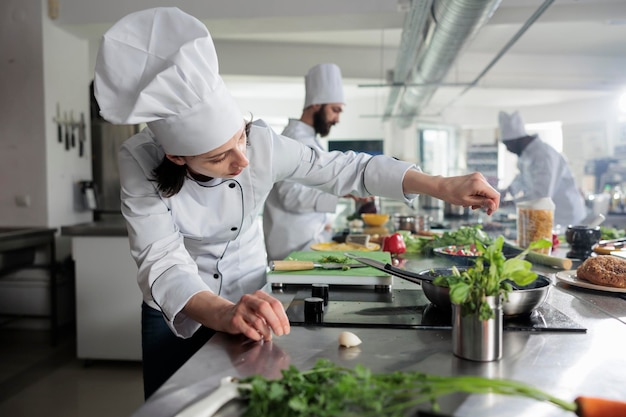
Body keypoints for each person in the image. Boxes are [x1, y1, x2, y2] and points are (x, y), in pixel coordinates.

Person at [94, 7, 500, 399]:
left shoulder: (263, 144)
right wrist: (221, 312)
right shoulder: (137, 161)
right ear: (176, 157)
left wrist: (440, 185)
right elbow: (162, 260)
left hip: (254, 297)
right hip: (177, 307)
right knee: (172, 406)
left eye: (240, 137)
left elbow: (346, 169)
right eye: (219, 157)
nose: (243, 160)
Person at [263, 63, 370, 260]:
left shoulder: (309, 139)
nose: (337, 119)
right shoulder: (293, 139)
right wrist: (340, 192)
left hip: (306, 241)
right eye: (335, 110)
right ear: (317, 105)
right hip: (292, 247)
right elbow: (291, 197)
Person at [498, 110, 587, 227]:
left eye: (507, 144)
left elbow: (541, 196)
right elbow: (522, 178)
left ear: (517, 140)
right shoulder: (526, 155)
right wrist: (508, 191)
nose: (508, 149)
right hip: (547, 216)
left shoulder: (543, 155)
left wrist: (505, 205)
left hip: (565, 217)